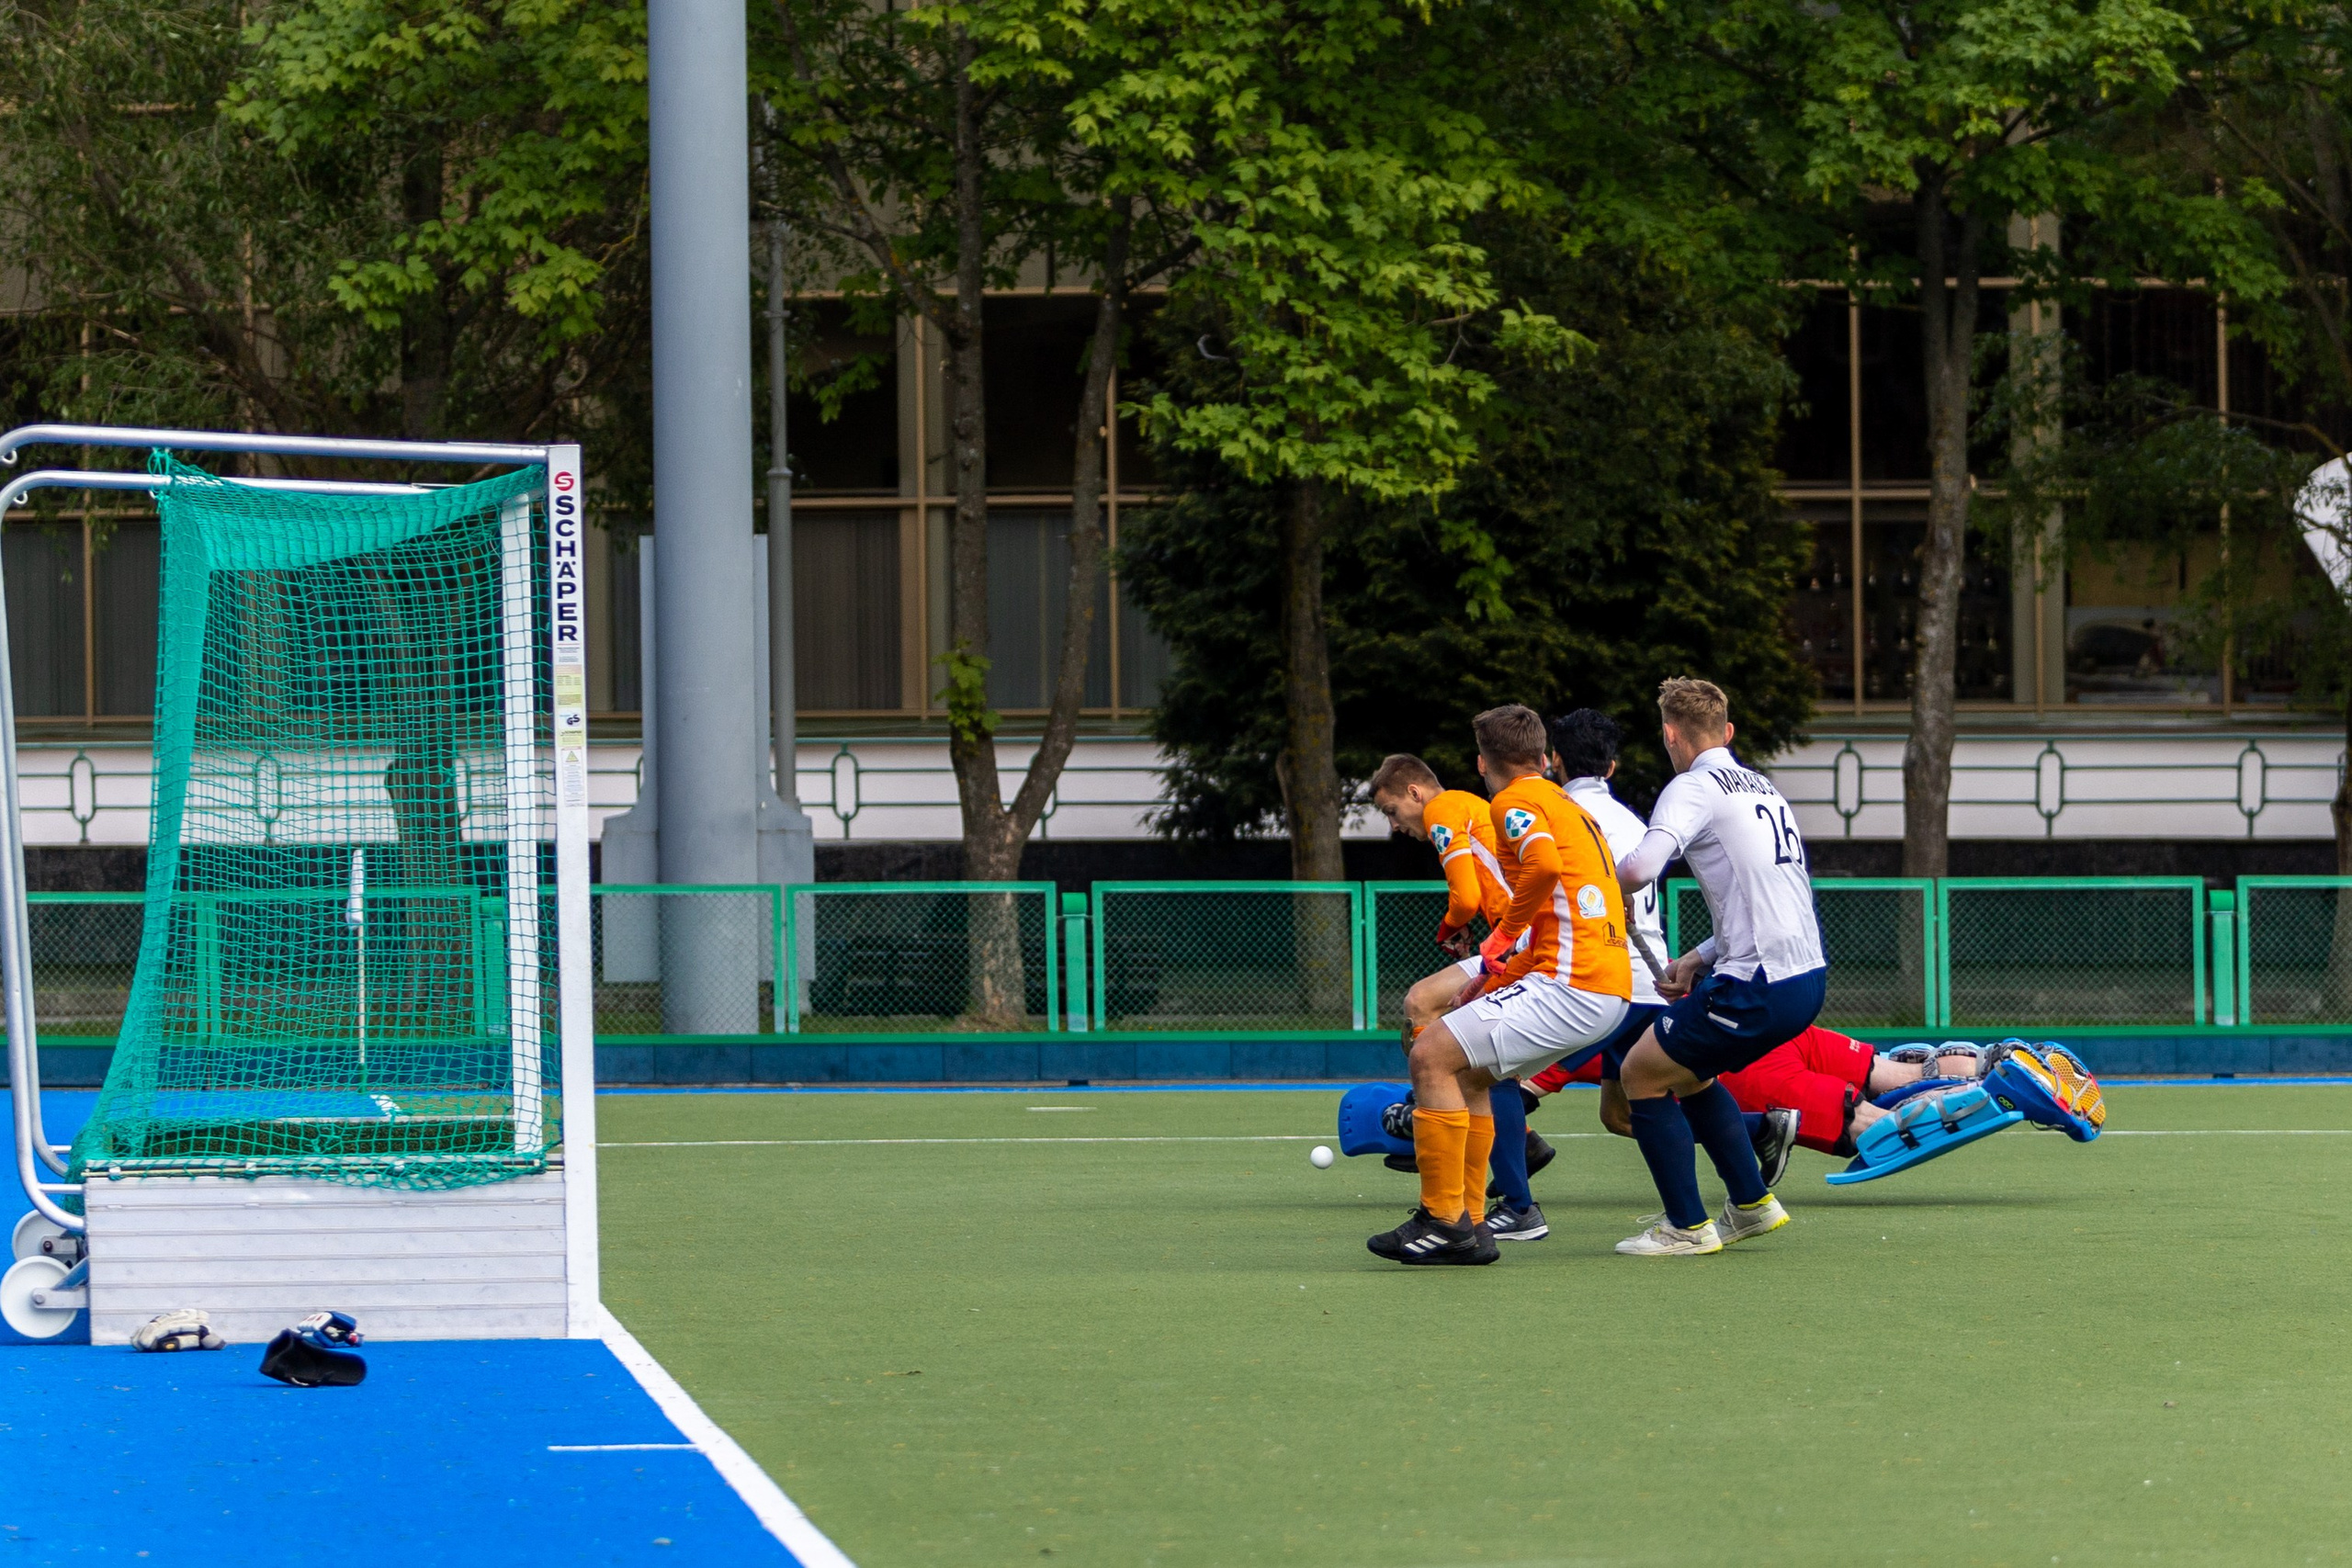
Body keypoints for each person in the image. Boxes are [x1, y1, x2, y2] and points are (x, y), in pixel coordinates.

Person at [1367, 705, 1633, 1267]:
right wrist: (1494, 975)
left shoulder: (1512, 801)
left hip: (1571, 983)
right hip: (1603, 984)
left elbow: (1540, 871)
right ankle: (1473, 1222)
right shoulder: (1567, 803)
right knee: (1470, 1076)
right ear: (1542, 757)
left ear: (1484, 762)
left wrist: (1495, 942)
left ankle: (1443, 1221)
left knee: (1430, 1055)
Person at [1609, 677, 1826, 1257]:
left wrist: (1601, 880)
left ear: (1670, 735)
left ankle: (1685, 1227)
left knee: (1640, 1074)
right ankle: (1752, 1205)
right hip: (1805, 977)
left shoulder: (1692, 786)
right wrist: (1696, 960)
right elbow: (1764, 898)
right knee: (1689, 1070)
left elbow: (1639, 869)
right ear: (1728, 732)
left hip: (1760, 983)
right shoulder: (1763, 787)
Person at [1367, 752, 1554, 1239]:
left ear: (1414, 792)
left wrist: (1449, 927)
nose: (1395, 825)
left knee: (1456, 1053)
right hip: (1516, 941)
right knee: (1424, 1004)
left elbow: (1467, 898)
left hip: (1524, 947)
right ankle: (1477, 1151)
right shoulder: (1467, 805)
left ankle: (1441, 1122)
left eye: (1391, 811)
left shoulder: (1443, 810)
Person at [1527, 1027, 2013, 1184]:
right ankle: (2010, 1064)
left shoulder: (1548, 1027)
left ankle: (2014, 1095)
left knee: (1874, 1128)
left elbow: (1506, 1099)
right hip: (1769, 1021)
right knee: (1904, 1072)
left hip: (1740, 1067)